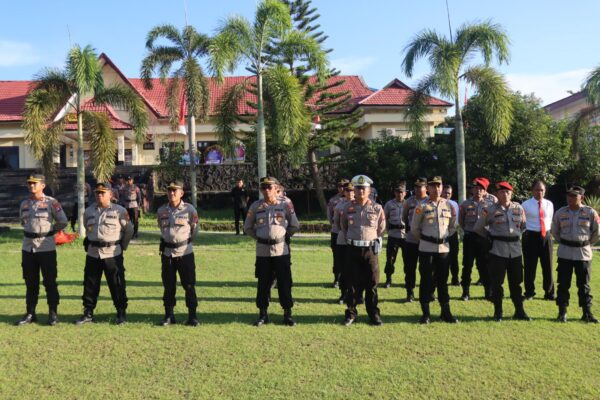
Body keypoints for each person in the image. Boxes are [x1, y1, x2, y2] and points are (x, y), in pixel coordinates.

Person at [244, 177, 300, 327]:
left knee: (284, 283)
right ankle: (263, 314)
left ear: (276, 188)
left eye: (270, 187)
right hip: (263, 251)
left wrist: (283, 236)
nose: (267, 190)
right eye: (264, 187)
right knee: (263, 283)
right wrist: (261, 238)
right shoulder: (256, 206)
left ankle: (287, 313)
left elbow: (294, 225)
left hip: (281, 251)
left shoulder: (285, 204)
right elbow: (247, 227)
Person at [76, 182, 134, 325]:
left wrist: (122, 246)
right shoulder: (89, 211)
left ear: (110, 195)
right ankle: (88, 312)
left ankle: (121, 312)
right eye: (97, 193)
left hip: (112, 253)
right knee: (90, 284)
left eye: (103, 193)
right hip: (93, 253)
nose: (99, 195)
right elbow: (86, 227)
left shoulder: (120, 211)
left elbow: (129, 230)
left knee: (117, 283)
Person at [474, 181, 531, 321]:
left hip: (516, 251)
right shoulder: (490, 209)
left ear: (511, 194)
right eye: (502, 192)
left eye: (508, 192)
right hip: (498, 250)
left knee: (516, 283)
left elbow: (523, 226)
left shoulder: (518, 208)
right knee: (497, 283)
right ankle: (498, 312)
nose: (505, 194)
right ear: (497, 194)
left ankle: (519, 311)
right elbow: (478, 228)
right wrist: (490, 237)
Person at [17, 174, 68, 326]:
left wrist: (49, 232)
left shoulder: (52, 203)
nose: (31, 186)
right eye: (29, 183)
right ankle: (30, 313)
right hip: (28, 247)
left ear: (43, 185)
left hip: (46, 248)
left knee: (50, 282)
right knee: (30, 282)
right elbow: (23, 222)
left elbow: (63, 221)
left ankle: (53, 314)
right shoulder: (24, 204)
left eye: (34, 183)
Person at [411, 176, 458, 324]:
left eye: (439, 186)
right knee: (426, 280)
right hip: (426, 248)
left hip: (443, 249)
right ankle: (426, 314)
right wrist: (426, 240)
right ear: (428, 188)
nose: (436, 189)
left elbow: (453, 226)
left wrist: (443, 238)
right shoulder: (422, 206)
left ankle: (446, 312)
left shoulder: (448, 205)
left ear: (442, 187)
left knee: (443, 281)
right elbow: (414, 228)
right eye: (433, 186)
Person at [339, 175, 385, 326]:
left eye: (363, 188)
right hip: (353, 249)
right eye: (357, 188)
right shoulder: (347, 207)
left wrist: (372, 239)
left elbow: (381, 228)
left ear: (369, 190)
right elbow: (343, 227)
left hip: (370, 249)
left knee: (372, 282)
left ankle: (373, 314)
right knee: (351, 282)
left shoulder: (377, 208)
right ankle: (351, 313)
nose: (360, 191)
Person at [552, 186, 600, 323]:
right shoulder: (560, 212)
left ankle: (587, 313)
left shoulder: (590, 212)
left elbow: (597, 233)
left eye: (574, 196)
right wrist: (566, 242)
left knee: (584, 285)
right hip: (565, 253)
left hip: (583, 254)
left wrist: (585, 243)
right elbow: (555, 231)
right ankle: (562, 312)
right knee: (563, 284)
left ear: (582, 197)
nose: (570, 198)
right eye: (568, 196)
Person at [157, 181, 200, 326]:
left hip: (184, 253)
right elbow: (162, 229)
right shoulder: (161, 210)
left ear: (181, 193)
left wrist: (183, 243)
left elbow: (195, 229)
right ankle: (169, 315)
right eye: (169, 190)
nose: (171, 193)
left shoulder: (189, 209)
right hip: (167, 253)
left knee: (189, 285)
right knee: (168, 286)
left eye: (175, 190)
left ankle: (192, 316)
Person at [459, 177, 496, 301]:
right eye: (476, 188)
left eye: (481, 189)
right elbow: (461, 221)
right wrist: (469, 231)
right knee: (467, 265)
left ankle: (488, 292)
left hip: (484, 238)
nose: (478, 191)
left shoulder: (491, 204)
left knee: (485, 265)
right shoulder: (465, 204)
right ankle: (465, 292)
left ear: (485, 191)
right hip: (470, 237)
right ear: (472, 190)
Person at [521, 180, 555, 300]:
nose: (540, 192)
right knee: (530, 266)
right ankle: (529, 292)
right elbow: (522, 222)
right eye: (537, 189)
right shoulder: (525, 204)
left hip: (546, 236)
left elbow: (550, 219)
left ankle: (549, 293)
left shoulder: (549, 204)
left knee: (548, 266)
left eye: (542, 190)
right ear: (532, 190)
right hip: (530, 236)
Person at [401, 177, 428, 302]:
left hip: (426, 240)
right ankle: (410, 292)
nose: (417, 189)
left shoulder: (430, 201)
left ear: (426, 188)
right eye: (416, 187)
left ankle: (428, 292)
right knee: (410, 268)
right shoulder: (409, 202)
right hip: (411, 240)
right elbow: (404, 217)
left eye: (420, 187)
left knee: (426, 269)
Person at [332, 181, 354, 303]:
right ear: (344, 192)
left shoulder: (359, 204)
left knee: (355, 268)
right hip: (343, 240)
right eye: (347, 191)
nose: (350, 193)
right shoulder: (339, 205)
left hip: (356, 240)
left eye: (351, 190)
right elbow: (336, 222)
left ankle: (356, 294)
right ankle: (343, 293)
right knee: (343, 268)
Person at [383, 183, 407, 288]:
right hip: (393, 235)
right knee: (390, 259)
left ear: (405, 193)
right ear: (395, 193)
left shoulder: (408, 204)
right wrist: (387, 230)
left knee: (408, 260)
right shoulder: (389, 204)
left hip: (406, 236)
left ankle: (408, 280)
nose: (399, 194)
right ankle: (388, 279)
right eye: (397, 192)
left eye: (401, 192)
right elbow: (385, 218)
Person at [327, 179, 349, 288]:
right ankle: (336, 278)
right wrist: (336, 225)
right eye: (340, 186)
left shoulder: (353, 200)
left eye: (344, 187)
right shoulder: (333, 200)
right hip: (336, 232)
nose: (342, 188)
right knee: (337, 257)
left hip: (350, 233)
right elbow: (330, 215)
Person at [442, 184, 460, 286]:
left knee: (454, 258)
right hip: (441, 235)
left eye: (448, 193)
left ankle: (455, 278)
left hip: (452, 234)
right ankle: (441, 279)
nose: (446, 194)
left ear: (451, 194)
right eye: (445, 192)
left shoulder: (454, 204)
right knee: (442, 258)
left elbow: (457, 220)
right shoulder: (437, 203)